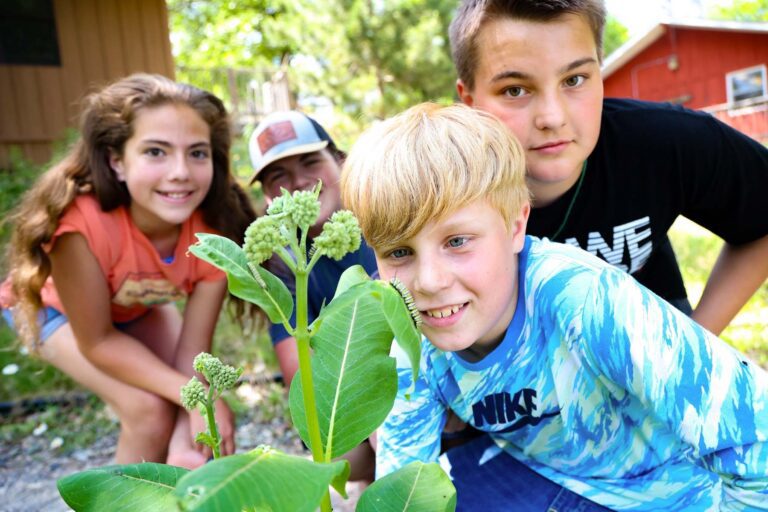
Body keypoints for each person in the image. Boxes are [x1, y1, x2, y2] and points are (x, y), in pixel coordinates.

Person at [340, 102, 768, 511]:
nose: (429, 282)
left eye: (456, 241)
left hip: (676, 490)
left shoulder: (585, 299)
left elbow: (754, 432)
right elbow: (405, 490)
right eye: (399, 253)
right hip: (549, 475)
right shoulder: (410, 340)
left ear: (514, 226)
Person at [449, 0, 768, 336]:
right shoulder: (436, 185)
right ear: (469, 101)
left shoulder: (664, 141)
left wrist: (694, 341)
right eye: (515, 90)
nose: (553, 118)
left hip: (648, 334)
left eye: (574, 80)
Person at [0, 74, 257, 469]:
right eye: (156, 152)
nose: (180, 172)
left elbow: (192, 355)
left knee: (189, 418)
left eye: (197, 153)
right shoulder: (81, 226)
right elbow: (99, 341)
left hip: (133, 306)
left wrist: (191, 427)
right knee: (148, 410)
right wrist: (199, 396)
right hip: (53, 311)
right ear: (117, 161)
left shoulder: (214, 234)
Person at [248, 110, 378, 480]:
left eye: (310, 162)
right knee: (335, 445)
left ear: (340, 161)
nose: (299, 182)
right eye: (278, 176)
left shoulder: (386, 209)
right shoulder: (279, 260)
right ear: (267, 194)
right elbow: (300, 376)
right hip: (351, 389)